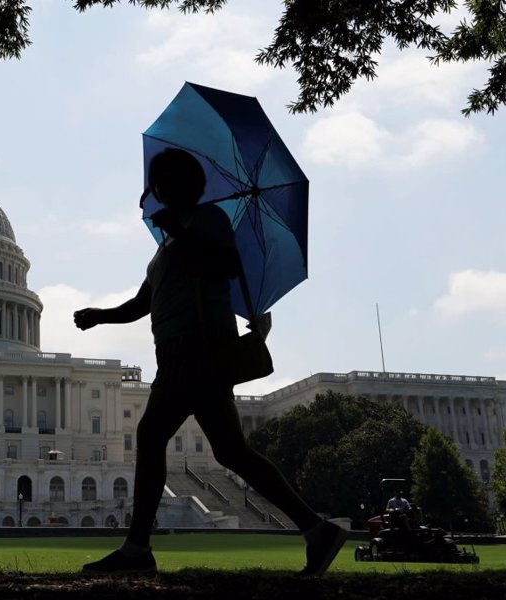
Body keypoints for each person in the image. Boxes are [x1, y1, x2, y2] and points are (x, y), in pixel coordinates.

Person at [76, 148, 346, 577]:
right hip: (178, 352)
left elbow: (223, 264)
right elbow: (144, 303)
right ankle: (315, 528)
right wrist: (100, 316)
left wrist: (181, 234)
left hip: (198, 349)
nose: (154, 190)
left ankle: (137, 548)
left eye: (160, 181)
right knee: (231, 451)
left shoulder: (208, 222)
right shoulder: (167, 244)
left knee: (152, 435)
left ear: (178, 185)